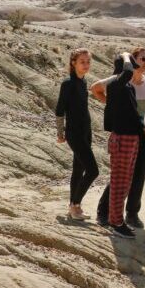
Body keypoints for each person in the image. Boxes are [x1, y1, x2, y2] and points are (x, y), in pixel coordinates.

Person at [92, 47, 145, 229]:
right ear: (133, 60)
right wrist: (112, 105)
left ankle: (132, 213)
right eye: (142, 59)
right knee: (122, 175)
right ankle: (104, 211)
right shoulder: (121, 79)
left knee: (138, 174)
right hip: (126, 131)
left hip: (144, 131)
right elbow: (95, 88)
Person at [55, 48, 98, 221]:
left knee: (78, 170)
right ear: (73, 63)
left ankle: (73, 207)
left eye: (88, 61)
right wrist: (60, 132)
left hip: (86, 131)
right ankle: (75, 204)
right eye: (82, 61)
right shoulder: (68, 83)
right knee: (93, 170)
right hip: (74, 133)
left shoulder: (83, 82)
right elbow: (59, 110)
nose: (86, 65)